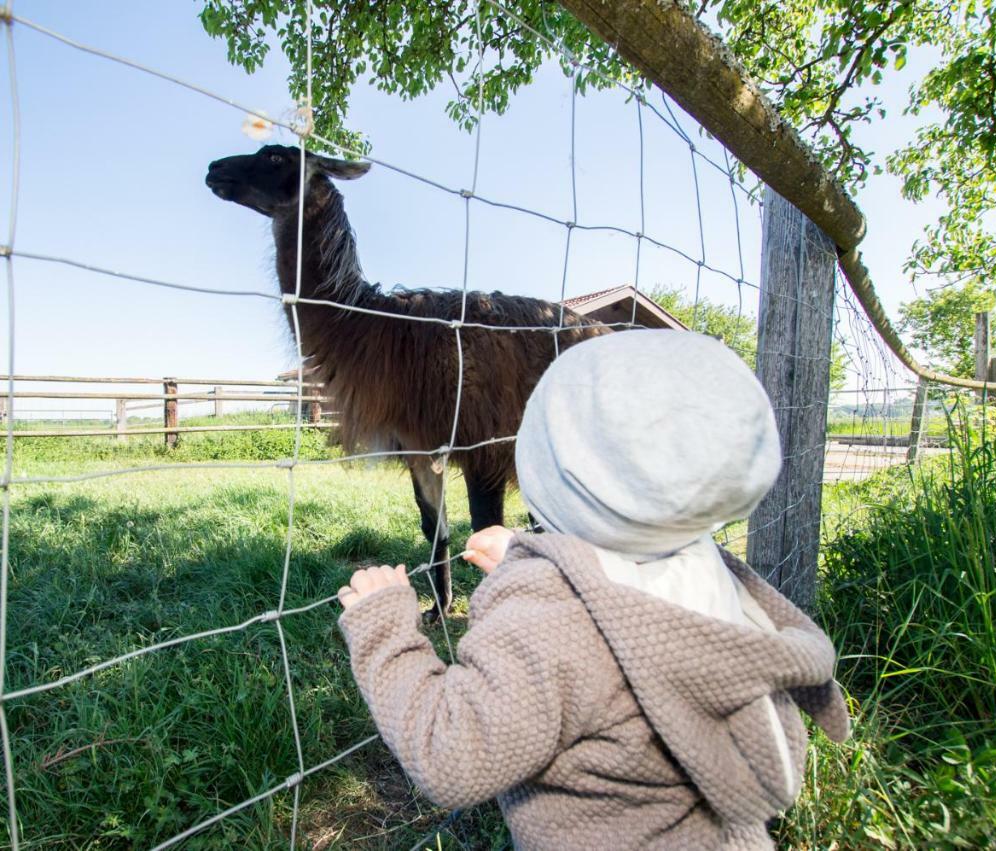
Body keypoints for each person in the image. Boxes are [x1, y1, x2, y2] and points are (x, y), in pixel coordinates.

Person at [336, 330, 850, 850]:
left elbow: (451, 756)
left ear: (552, 470)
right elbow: (614, 581)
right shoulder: (722, 579)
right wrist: (528, 559)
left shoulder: (550, 626)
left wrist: (385, 632)